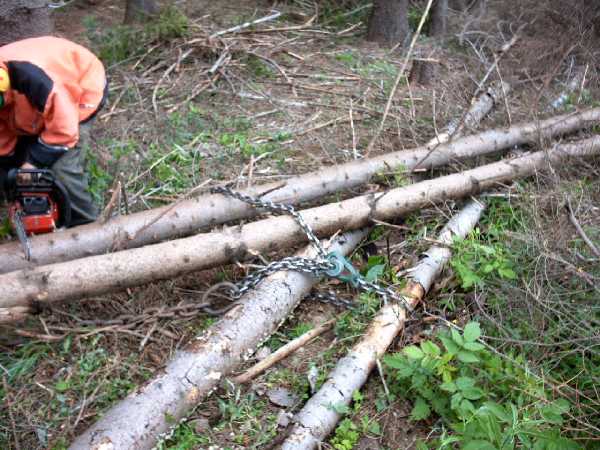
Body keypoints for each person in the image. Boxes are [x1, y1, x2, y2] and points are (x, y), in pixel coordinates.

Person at [0, 36, 107, 226]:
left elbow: (64, 129)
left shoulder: (33, 78)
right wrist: (9, 170)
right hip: (34, 103)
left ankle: (86, 225)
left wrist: (33, 162)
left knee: (61, 167)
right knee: (18, 164)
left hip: (80, 86)